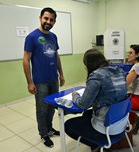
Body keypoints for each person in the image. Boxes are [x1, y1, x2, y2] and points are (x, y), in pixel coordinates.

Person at [65, 49, 127, 152]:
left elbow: (83, 105)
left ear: (88, 64)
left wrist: (75, 95)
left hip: (107, 129)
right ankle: (96, 147)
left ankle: (97, 145)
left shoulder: (96, 76)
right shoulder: (119, 71)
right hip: (121, 123)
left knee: (68, 125)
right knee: (87, 115)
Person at [23, 7, 65, 148]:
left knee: (52, 107)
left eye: (52, 20)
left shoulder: (53, 36)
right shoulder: (31, 37)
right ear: (40, 18)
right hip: (40, 81)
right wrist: (30, 82)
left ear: (54, 22)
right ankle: (44, 133)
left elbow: (56, 56)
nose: (48, 21)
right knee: (42, 108)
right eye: (46, 18)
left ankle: (49, 128)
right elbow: (25, 60)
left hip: (53, 78)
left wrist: (61, 74)